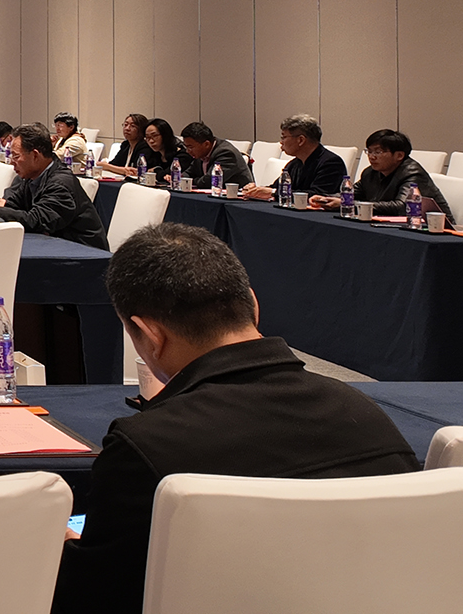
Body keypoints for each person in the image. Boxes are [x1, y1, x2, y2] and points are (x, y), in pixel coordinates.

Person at [51, 223, 418, 614]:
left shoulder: (144, 447)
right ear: (254, 306)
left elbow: (89, 598)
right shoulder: (367, 416)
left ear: (149, 334)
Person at [0, 123, 109, 249]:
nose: (11, 162)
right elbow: (12, 202)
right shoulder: (30, 175)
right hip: (56, 246)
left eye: (16, 156)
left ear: (35, 155)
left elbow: (37, 222)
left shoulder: (60, 184)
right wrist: (2, 206)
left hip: (85, 252)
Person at [312, 129, 452, 221]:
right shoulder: (370, 172)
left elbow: (402, 207)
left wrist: (348, 204)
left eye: (378, 152)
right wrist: (326, 198)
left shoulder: (413, 174)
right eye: (369, 151)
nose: (371, 157)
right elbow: (352, 193)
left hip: (434, 230)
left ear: (399, 155)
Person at [242, 114, 348, 199]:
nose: (281, 142)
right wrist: (256, 190)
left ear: (301, 140)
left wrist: (273, 192)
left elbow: (317, 196)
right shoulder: (294, 164)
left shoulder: (331, 163)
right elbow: (277, 188)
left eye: (284, 137)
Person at [179, 122, 253, 188]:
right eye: (186, 147)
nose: (187, 151)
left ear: (206, 144)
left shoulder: (226, 153)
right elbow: (189, 173)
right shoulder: (201, 153)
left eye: (190, 147)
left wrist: (190, 181)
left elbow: (210, 181)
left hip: (237, 196)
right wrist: (180, 177)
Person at [140, 118, 195, 185]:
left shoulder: (183, 156)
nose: (151, 141)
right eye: (147, 138)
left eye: (155, 136)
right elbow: (145, 172)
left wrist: (156, 170)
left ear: (165, 135)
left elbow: (170, 175)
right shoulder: (154, 154)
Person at [98, 113, 155, 177]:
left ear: (142, 130)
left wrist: (109, 166)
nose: (127, 128)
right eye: (125, 125)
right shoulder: (126, 145)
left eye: (133, 126)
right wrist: (123, 170)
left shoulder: (145, 147)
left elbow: (135, 172)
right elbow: (112, 164)